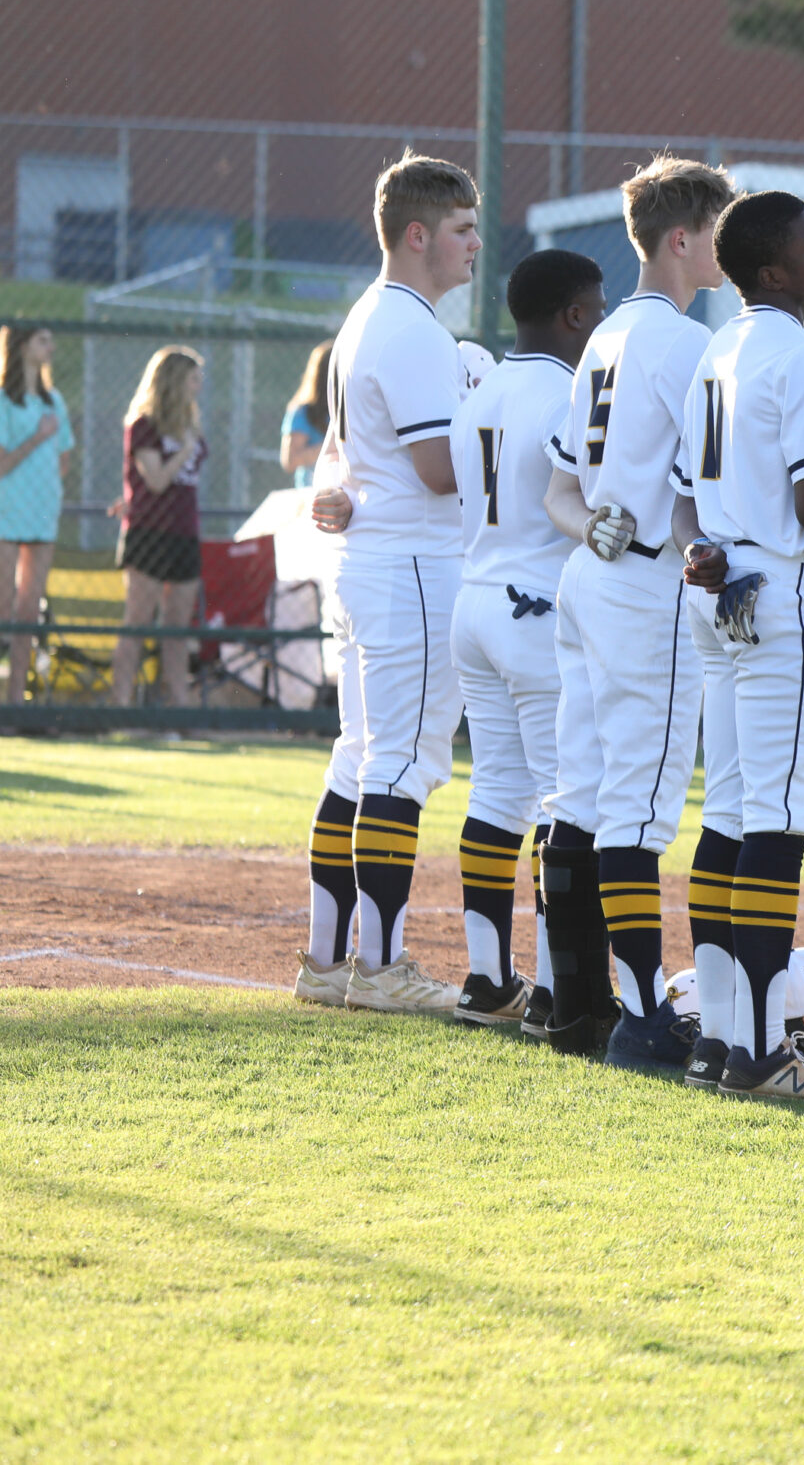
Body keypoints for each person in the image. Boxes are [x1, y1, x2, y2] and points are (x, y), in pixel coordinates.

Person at [537, 155, 737, 1064]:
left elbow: (558, 492)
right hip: (648, 584)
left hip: (591, 578)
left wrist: (591, 530)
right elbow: (708, 484)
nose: (727, 247)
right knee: (639, 808)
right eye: (719, 229)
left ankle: (570, 1000)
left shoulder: (611, 333)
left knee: (581, 793)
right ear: (683, 239)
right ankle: (644, 1016)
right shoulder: (687, 344)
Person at [671, 189, 804, 1102]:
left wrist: (700, 546)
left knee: (730, 815)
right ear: (772, 271)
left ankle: (720, 1039)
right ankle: (760, 1050)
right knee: (777, 823)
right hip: (786, 590)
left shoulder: (719, 347)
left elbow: (681, 493)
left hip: (721, 587)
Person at [291, 152, 478, 1014]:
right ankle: (383, 966)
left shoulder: (370, 314)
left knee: (362, 759)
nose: (475, 245)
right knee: (398, 765)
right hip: (410, 566)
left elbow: (341, 457)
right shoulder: (410, 327)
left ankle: (330, 963)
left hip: (375, 561)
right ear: (417, 235)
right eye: (462, 230)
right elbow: (442, 470)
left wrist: (340, 491)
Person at [443, 250, 605, 1028]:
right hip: (535, 606)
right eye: (597, 310)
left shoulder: (480, 393)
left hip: (472, 600)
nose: (602, 322)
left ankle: (485, 977)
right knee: (559, 795)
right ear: (573, 315)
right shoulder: (570, 390)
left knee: (496, 789)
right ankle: (550, 986)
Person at [110, 345, 209, 708]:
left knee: (177, 628)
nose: (199, 386)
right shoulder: (144, 425)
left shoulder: (191, 427)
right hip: (148, 533)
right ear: (174, 381)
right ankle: (119, 705)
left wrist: (187, 445)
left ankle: (178, 709)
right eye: (193, 378)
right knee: (137, 621)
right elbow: (154, 481)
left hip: (184, 533)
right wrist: (182, 451)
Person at [0, 324, 73, 704]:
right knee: (3, 603)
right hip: (6, 513)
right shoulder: (3, 401)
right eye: (43, 340)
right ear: (23, 346)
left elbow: (64, 457)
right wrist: (37, 439)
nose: (51, 347)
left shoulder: (53, 401)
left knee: (29, 610)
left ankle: (15, 701)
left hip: (43, 514)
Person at [280, 342, 331, 487]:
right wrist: (333, 447)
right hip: (312, 491)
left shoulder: (348, 408)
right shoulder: (303, 412)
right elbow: (290, 461)